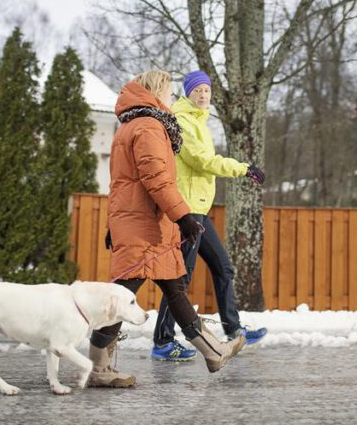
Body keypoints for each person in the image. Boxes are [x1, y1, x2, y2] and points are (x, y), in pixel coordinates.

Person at [87, 69, 246, 388]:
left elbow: (120, 184)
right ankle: (97, 368)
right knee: (122, 296)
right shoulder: (148, 127)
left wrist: (113, 224)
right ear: (157, 92)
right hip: (145, 226)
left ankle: (213, 352)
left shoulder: (131, 126)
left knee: (174, 288)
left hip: (142, 223)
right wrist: (183, 216)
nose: (173, 98)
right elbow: (156, 179)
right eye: (170, 93)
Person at [150, 70, 268, 362]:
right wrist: (242, 168)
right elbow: (202, 161)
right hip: (187, 211)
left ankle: (232, 328)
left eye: (207, 90)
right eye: (197, 90)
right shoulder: (182, 121)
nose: (203, 95)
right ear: (187, 93)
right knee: (180, 279)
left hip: (200, 209)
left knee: (223, 268)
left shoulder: (200, 121)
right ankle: (162, 341)